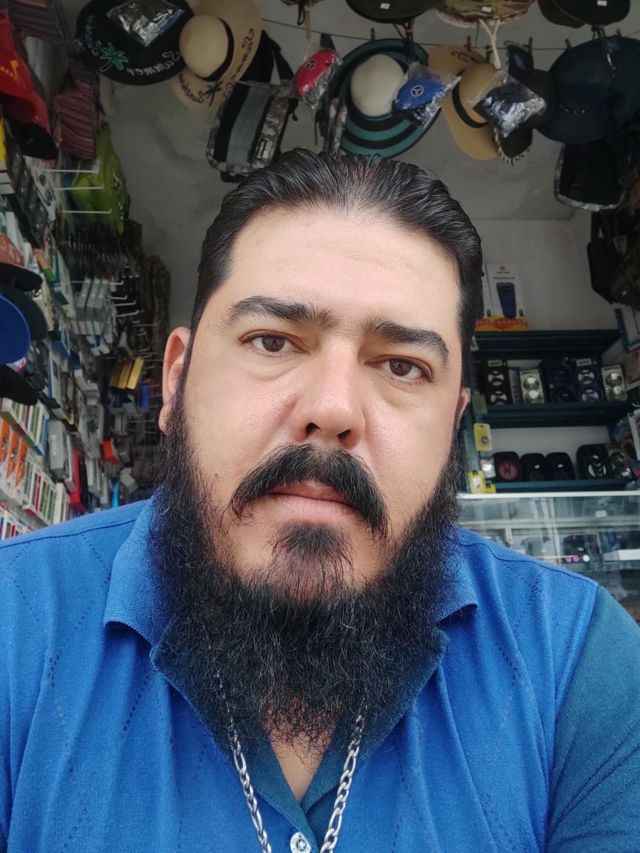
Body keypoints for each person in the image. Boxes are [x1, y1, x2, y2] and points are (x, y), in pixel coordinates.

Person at [0, 150, 638, 853]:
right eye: (272, 341)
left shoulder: (577, 661)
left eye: (402, 366)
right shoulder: (16, 620)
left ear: (454, 422)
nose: (332, 409)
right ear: (176, 381)